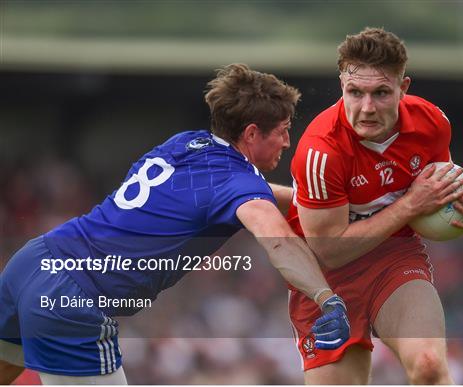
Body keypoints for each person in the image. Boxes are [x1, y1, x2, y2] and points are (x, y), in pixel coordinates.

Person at [0, 64, 350, 385]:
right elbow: (279, 242)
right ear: (253, 133)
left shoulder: (185, 143)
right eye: (284, 130)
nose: (288, 142)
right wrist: (326, 297)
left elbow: (246, 193)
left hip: (33, 262)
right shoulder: (240, 185)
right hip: (70, 298)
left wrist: (318, 204)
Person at [286, 28, 463, 384]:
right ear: (342, 85)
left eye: (381, 93)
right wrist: (410, 205)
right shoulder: (320, 151)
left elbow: (437, 209)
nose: (367, 108)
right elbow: (329, 251)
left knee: (429, 364)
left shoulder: (432, 123)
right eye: (355, 92)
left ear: (403, 88)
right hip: (323, 281)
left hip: (395, 258)